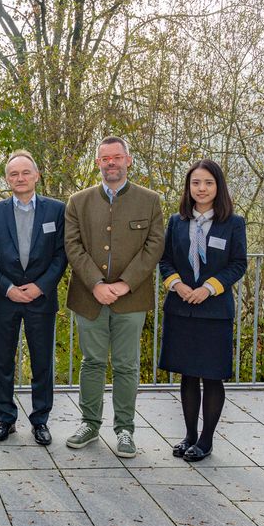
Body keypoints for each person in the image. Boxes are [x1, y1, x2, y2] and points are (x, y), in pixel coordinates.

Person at [64, 136, 165, 458]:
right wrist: (95, 283)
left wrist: (124, 284)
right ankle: (89, 424)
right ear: (97, 163)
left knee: (126, 365)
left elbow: (154, 247)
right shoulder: (78, 202)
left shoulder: (149, 201)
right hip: (88, 296)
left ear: (128, 160)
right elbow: (73, 246)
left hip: (131, 299)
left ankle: (125, 430)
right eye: (105, 158)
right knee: (91, 363)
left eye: (117, 157)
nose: (111, 163)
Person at [159, 159, 247, 462]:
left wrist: (208, 287)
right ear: (188, 187)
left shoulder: (233, 223)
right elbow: (165, 260)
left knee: (211, 376)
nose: (201, 188)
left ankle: (206, 440)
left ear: (218, 187)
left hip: (214, 312)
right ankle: (189, 435)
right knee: (187, 375)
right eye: (196, 183)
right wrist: (177, 285)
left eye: (208, 182)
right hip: (181, 309)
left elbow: (238, 264)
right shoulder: (176, 222)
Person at [0, 151, 67, 445]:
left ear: (36, 176)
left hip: (40, 299)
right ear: (7, 179)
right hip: (6, 298)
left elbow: (61, 255)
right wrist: (7, 287)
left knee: (42, 362)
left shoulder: (57, 210)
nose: (20, 178)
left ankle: (40, 420)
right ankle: (5, 419)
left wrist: (40, 286)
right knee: (3, 362)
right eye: (13, 174)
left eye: (25, 173)